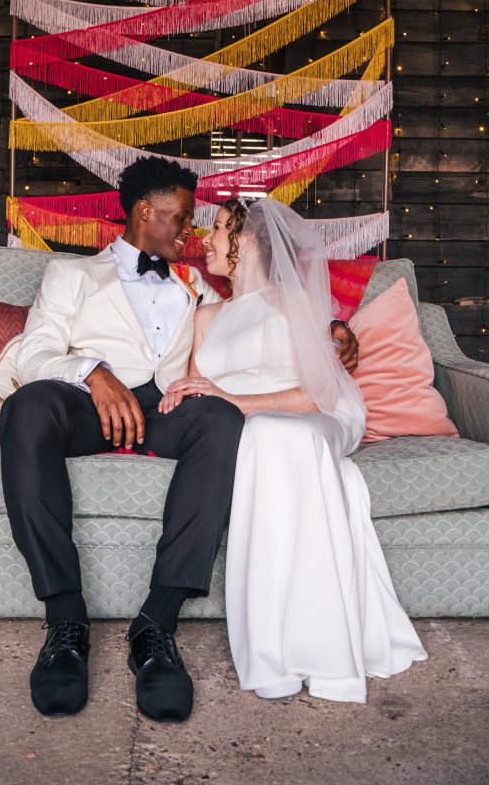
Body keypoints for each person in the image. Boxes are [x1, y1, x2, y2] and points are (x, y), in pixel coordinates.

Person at [0, 158, 359, 722]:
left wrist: (335, 332)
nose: (190, 232)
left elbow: (268, 309)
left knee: (221, 419)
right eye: (182, 218)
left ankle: (156, 626)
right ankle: (66, 623)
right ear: (146, 211)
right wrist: (94, 374)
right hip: (86, 404)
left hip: (164, 409)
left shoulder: (194, 290)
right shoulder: (70, 276)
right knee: (26, 406)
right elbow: (34, 351)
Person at [160, 197, 427, 704]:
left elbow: (320, 393)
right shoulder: (206, 316)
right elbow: (197, 384)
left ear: (248, 240)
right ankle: (271, 650)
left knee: (274, 434)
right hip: (240, 421)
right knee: (259, 436)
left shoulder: (294, 304)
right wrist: (183, 391)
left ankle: (321, 648)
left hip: (312, 414)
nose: (206, 240)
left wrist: (236, 401)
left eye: (217, 229)